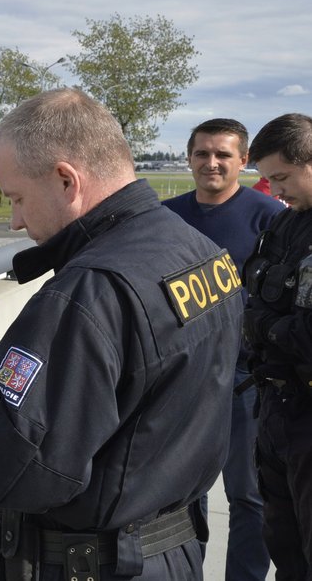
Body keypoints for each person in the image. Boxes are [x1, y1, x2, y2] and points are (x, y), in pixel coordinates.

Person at [0, 89, 244, 580]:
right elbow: (129, 384)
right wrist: (3, 359)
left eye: (18, 198)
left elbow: (14, 471)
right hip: (169, 551)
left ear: (67, 180)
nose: (16, 220)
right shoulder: (195, 248)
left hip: (91, 562)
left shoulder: (89, 290)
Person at [161, 118, 281, 581]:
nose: (211, 163)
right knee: (182, 495)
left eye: (223, 155)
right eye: (202, 153)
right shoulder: (164, 217)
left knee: (248, 495)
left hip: (244, 381)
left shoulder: (269, 218)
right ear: (188, 157)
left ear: (243, 161)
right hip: (178, 378)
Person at [241, 112, 312, 580]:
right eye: (267, 179)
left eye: (281, 177)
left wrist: (259, 322)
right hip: (276, 408)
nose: (274, 190)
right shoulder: (287, 225)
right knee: (285, 548)